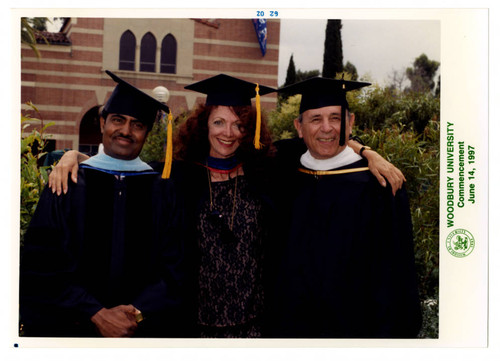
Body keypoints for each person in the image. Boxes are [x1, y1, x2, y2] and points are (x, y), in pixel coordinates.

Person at [46, 74, 406, 338]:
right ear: (204, 126)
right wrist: (73, 157)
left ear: (249, 128)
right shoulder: (177, 177)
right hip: (189, 327)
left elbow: (321, 143)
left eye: (239, 124)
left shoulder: (269, 171)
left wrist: (366, 152)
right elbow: (121, 161)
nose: (228, 133)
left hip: (257, 328)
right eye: (219, 122)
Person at [19, 70, 185, 338]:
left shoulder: (162, 190)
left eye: (137, 124)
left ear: (146, 132)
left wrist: (136, 313)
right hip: (73, 332)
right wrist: (94, 312)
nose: (126, 131)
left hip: (140, 332)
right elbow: (42, 263)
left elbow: (175, 268)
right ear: (102, 123)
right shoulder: (66, 182)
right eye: (118, 120)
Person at [267, 77, 422, 338]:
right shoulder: (284, 173)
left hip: (357, 332)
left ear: (350, 123)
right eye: (315, 119)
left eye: (336, 118)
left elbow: (397, 278)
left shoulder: (381, 186)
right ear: (299, 126)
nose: (326, 128)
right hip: (293, 329)